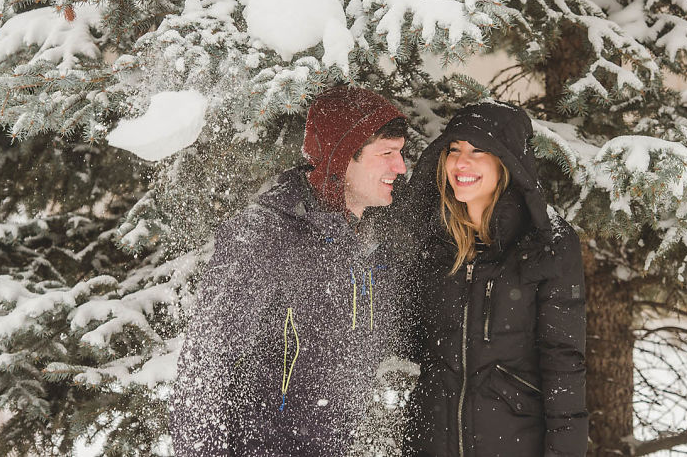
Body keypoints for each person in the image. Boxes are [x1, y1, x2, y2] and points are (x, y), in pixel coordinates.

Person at [170, 86, 408, 457]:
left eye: (401, 153)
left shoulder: (369, 240)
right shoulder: (266, 233)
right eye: (387, 154)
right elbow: (205, 367)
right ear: (344, 157)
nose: (401, 167)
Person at [402, 101, 588, 457]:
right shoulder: (430, 236)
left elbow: (564, 365)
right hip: (430, 445)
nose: (461, 163)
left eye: (479, 150)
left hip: (514, 444)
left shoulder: (547, 243)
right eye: (454, 149)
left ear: (507, 161)